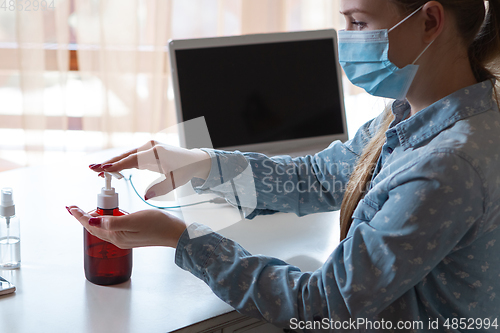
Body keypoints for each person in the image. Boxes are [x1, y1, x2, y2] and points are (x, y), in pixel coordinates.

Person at [68, 0, 500, 331]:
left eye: (359, 22)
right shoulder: (411, 115)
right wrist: (202, 164)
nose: (346, 38)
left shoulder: (446, 166)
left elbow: (323, 306)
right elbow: (316, 178)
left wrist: (180, 238)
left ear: (429, 20)